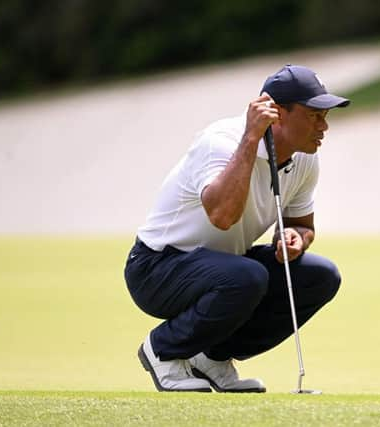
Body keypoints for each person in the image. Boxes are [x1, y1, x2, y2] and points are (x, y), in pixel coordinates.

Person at [124, 64, 350, 392]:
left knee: (320, 275)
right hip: (156, 269)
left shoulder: (304, 160)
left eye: (325, 115)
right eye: (314, 115)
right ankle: (164, 350)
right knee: (247, 277)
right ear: (277, 114)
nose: (324, 126)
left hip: (225, 268)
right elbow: (222, 215)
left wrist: (295, 240)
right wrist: (251, 137)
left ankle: (212, 359)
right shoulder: (221, 142)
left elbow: (302, 226)